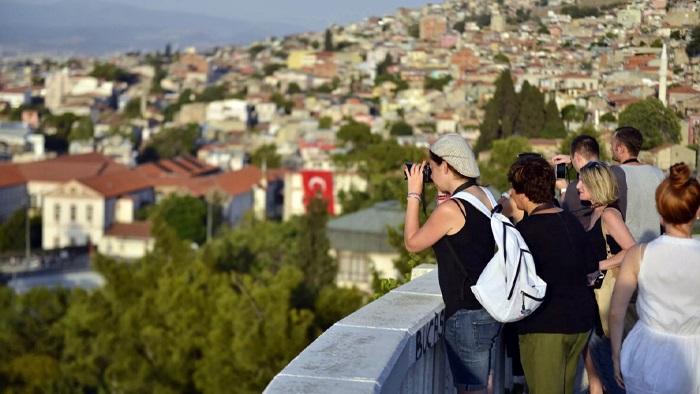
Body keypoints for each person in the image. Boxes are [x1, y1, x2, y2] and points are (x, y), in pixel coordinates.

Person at [404, 133, 501, 394]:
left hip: (466, 315)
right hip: (488, 306)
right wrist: (441, 193)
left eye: (433, 168)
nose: (430, 174)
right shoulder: (486, 196)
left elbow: (412, 243)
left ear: (446, 166)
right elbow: (462, 237)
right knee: (482, 385)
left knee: (471, 391)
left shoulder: (451, 210)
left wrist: (414, 194)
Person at [507, 156, 597, 394]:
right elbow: (589, 267)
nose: (511, 196)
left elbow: (512, 279)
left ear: (524, 194)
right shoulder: (572, 221)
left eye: (513, 191)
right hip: (579, 323)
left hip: (546, 326)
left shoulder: (524, 231)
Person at [610, 162, 700, 394]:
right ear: (697, 211)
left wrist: (616, 356)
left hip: (645, 353)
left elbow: (616, 313)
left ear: (660, 210)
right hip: (693, 359)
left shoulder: (638, 255)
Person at [576, 161, 636, 394]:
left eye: (583, 181)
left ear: (596, 184)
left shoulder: (609, 214)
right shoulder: (595, 212)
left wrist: (598, 266)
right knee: (597, 369)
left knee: (610, 368)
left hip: (608, 298)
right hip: (596, 299)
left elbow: (632, 248)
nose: (578, 186)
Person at [552, 135, 627, 229]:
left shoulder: (574, 188)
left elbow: (563, 216)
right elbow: (599, 168)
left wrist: (563, 189)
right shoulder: (618, 173)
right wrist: (573, 158)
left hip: (586, 240)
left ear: (577, 157)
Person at [610, 126, 664, 243]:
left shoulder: (616, 173)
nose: (610, 148)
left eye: (612, 145)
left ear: (621, 149)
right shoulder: (658, 173)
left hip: (628, 246)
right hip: (654, 244)